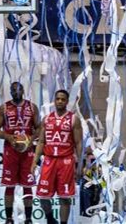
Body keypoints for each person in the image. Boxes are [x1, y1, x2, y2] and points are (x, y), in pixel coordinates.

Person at [0, 81, 40, 224]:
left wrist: (30, 139)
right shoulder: (4, 108)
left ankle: (29, 219)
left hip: (27, 152)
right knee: (9, 185)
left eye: (19, 89)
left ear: (23, 90)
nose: (16, 92)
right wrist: (8, 137)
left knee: (27, 185)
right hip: (10, 151)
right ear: (10, 91)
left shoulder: (32, 107)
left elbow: (39, 128)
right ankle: (8, 218)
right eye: (13, 90)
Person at [32, 90, 83, 224]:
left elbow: (79, 143)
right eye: (58, 99)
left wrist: (80, 165)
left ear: (67, 102)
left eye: (63, 99)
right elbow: (41, 142)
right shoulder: (47, 119)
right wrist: (34, 162)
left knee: (64, 198)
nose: (60, 101)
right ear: (54, 101)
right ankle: (50, 219)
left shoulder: (73, 119)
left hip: (66, 161)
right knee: (42, 196)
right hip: (49, 160)